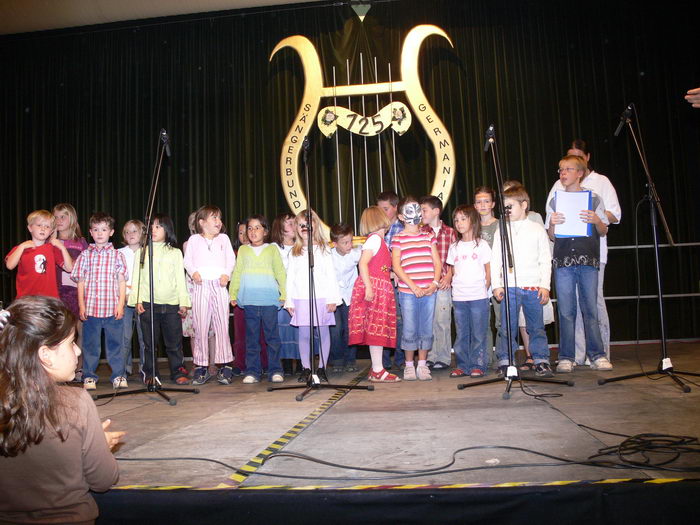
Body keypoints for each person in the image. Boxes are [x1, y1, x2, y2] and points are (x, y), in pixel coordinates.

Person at [0, 295, 123, 524]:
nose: (77, 352)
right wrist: (99, 447)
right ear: (45, 355)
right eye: (71, 343)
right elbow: (103, 480)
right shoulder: (76, 401)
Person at [545, 139, 620, 363]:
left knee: (591, 308)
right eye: (561, 169)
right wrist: (553, 224)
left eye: (568, 169)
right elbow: (551, 234)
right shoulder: (555, 198)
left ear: (580, 171)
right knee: (567, 311)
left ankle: (598, 354)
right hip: (564, 260)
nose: (563, 173)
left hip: (589, 260)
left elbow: (604, 229)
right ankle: (568, 356)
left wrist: (597, 219)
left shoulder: (594, 196)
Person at [491, 187, 554, 377]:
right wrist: (497, 284)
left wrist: (545, 285)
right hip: (509, 287)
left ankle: (541, 360)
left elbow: (545, 258)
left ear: (524, 205)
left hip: (533, 286)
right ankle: (506, 361)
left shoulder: (536, 229)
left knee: (535, 327)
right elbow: (496, 260)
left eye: (510, 206)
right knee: (507, 327)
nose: (506, 210)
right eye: (504, 207)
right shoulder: (501, 229)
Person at [128, 214, 191, 385]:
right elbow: (137, 278)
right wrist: (137, 301)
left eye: (158, 226)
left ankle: (178, 372)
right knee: (149, 344)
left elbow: (180, 278)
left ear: (167, 229)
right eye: (151, 227)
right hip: (149, 305)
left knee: (174, 343)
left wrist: (183, 302)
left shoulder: (175, 253)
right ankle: (150, 374)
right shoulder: (142, 252)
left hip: (171, 305)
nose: (153, 230)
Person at [71, 212, 128, 390]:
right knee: (90, 346)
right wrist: (81, 306)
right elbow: (80, 282)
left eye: (104, 229)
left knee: (115, 345)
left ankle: (118, 375)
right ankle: (89, 376)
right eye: (96, 230)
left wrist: (120, 305)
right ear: (90, 232)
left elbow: (121, 282)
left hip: (112, 310)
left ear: (111, 232)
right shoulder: (85, 256)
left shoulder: (117, 256)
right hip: (92, 310)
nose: (100, 233)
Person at [285, 209, 342, 383]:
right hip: (301, 298)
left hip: (322, 297)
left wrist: (333, 298)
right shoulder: (294, 252)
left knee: (323, 332)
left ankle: (322, 368)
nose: (304, 228)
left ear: (315, 225)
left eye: (308, 224)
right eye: (301, 225)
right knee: (304, 334)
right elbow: (291, 278)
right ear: (296, 228)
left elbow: (331, 275)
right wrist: (289, 300)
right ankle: (306, 367)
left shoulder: (324, 249)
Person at [230, 215, 286, 384]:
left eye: (257, 227)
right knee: (251, 339)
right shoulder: (244, 251)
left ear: (265, 231)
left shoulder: (272, 249)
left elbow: (280, 272)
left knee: (272, 339)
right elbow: (237, 272)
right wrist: (233, 294)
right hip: (250, 302)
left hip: (269, 301)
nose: (253, 231)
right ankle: (252, 371)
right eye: (250, 228)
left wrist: (283, 294)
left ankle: (275, 369)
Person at [183, 205, 236, 385]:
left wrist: (226, 275)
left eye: (219, 218)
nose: (218, 222)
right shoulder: (194, 240)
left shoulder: (224, 239)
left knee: (222, 326)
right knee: (200, 327)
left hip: (219, 285)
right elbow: (187, 260)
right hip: (201, 286)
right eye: (214, 218)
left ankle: (225, 366)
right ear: (202, 222)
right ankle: (201, 367)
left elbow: (231, 259)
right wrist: (193, 272)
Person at [391, 196, 442, 381]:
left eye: (418, 210)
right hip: (408, 292)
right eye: (409, 211)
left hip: (429, 291)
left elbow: (437, 261)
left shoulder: (428, 235)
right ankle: (409, 365)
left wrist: (434, 283)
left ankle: (422, 364)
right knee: (410, 329)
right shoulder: (398, 238)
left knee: (426, 328)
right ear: (401, 217)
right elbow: (396, 266)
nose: (415, 214)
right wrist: (412, 287)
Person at [348, 206, 399, 382]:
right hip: (374, 287)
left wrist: (392, 275)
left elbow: (379, 266)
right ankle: (377, 369)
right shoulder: (375, 240)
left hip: (379, 285)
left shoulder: (379, 241)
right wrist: (369, 287)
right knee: (375, 328)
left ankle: (377, 369)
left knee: (376, 329)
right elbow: (363, 264)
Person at [447, 205, 491, 378]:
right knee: (462, 333)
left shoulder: (482, 245)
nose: (459, 223)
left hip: (478, 296)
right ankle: (462, 365)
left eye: (463, 219)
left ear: (473, 221)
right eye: (456, 220)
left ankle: (478, 365)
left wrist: (484, 287)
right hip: (459, 296)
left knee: (479, 333)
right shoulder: (454, 247)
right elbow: (452, 270)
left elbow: (488, 270)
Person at [419, 195, 457, 370]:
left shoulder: (450, 232)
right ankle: (430, 355)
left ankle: (443, 356)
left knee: (442, 321)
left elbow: (456, 257)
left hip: (442, 284)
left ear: (436, 211)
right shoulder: (420, 232)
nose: (421, 213)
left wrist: (449, 275)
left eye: (424, 210)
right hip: (426, 284)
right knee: (428, 322)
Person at [5, 209, 73, 299]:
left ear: (51, 231)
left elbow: (69, 268)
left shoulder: (52, 249)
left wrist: (62, 248)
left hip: (49, 300)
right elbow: (10, 265)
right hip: (26, 299)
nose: (43, 229)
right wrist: (21, 247)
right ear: (30, 228)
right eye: (39, 225)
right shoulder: (21, 248)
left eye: (47, 226)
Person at [376, 190, 405, 371]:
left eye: (385, 209)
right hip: (380, 281)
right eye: (379, 209)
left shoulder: (402, 228)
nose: (382, 213)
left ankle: (401, 359)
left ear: (395, 208)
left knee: (400, 320)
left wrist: (395, 272)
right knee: (382, 320)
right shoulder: (376, 229)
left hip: (397, 280)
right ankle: (383, 360)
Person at [329, 223, 361, 373]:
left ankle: (350, 359)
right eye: (345, 242)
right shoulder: (328, 256)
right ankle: (337, 360)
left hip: (351, 297)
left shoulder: (356, 253)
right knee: (335, 330)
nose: (350, 245)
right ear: (335, 243)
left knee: (350, 329)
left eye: (351, 241)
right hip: (334, 298)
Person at [474, 186, 500, 370]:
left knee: (501, 321)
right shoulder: (470, 227)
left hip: (497, 278)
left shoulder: (500, 225)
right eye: (478, 202)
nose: (482, 205)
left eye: (486, 201)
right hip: (477, 280)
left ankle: (503, 357)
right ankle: (486, 357)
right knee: (482, 322)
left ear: (493, 204)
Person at [271, 212, 299, 375]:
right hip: (281, 296)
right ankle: (286, 363)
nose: (294, 225)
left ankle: (303, 363)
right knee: (283, 330)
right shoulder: (274, 248)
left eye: (295, 222)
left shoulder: (301, 246)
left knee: (300, 330)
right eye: (289, 223)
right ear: (280, 228)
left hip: (299, 294)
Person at [118, 219, 146, 379]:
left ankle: (145, 368)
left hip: (142, 300)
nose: (131, 234)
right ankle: (124, 368)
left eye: (134, 230)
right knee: (125, 337)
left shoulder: (148, 252)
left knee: (145, 337)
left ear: (142, 232)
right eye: (127, 231)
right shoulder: (119, 252)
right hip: (125, 298)